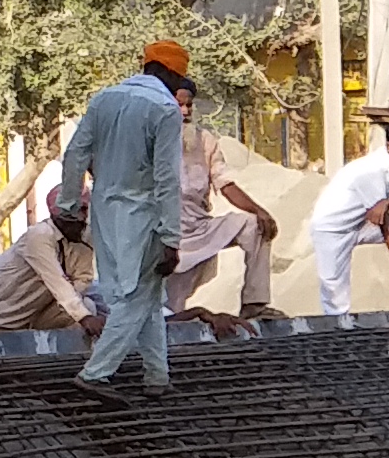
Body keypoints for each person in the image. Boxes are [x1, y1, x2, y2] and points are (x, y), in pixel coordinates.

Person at [57, 39, 193, 391]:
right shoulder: (165, 109)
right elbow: (166, 178)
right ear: (171, 73)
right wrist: (171, 238)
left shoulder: (104, 98)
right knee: (136, 297)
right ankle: (95, 373)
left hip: (105, 209)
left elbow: (74, 155)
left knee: (142, 296)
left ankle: (157, 377)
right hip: (143, 214)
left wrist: (69, 206)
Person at [156, 60, 277, 334]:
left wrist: (260, 210)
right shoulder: (148, 141)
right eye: (179, 105)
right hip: (164, 238)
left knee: (254, 225)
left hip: (201, 229)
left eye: (189, 106)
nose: (185, 112)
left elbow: (225, 183)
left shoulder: (206, 141)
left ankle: (254, 303)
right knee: (170, 314)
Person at [310, 110, 389, 316]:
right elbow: (387, 232)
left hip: (362, 223)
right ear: (388, 147)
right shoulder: (371, 171)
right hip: (332, 229)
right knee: (335, 297)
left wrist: (387, 203)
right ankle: (340, 335)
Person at [0, 178, 102, 336]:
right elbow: (56, 281)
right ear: (56, 217)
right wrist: (85, 317)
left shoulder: (83, 237)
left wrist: (85, 315)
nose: (79, 223)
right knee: (83, 313)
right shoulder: (38, 236)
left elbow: (81, 282)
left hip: (32, 317)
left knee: (86, 305)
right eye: (71, 220)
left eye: (82, 217)